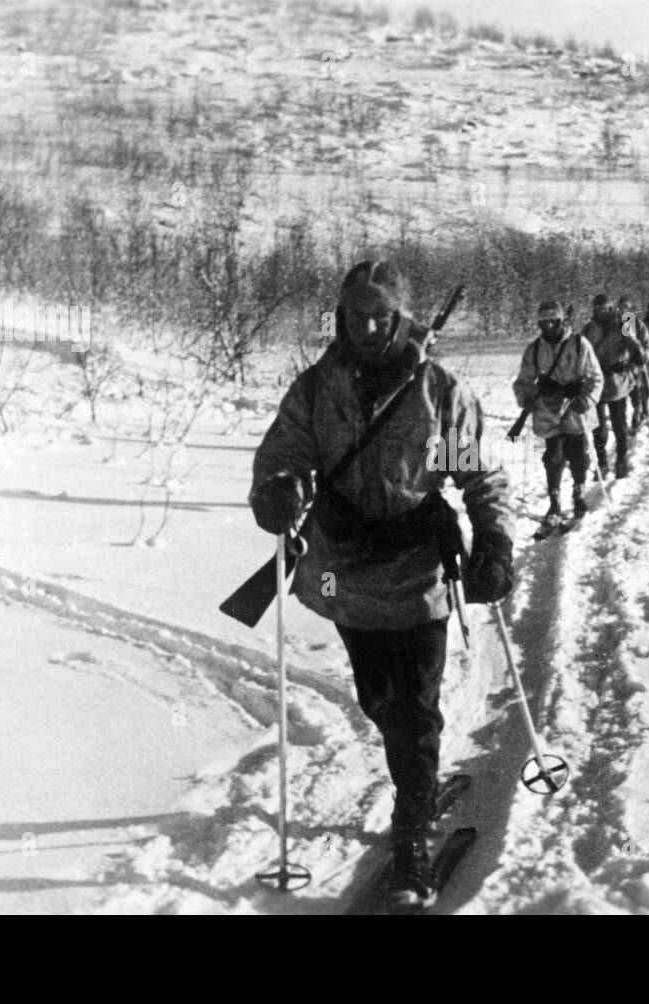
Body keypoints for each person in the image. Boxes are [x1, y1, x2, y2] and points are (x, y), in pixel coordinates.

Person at [247, 261, 515, 910]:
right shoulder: (317, 389)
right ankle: (416, 773)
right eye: (355, 315)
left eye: (380, 316)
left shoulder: (437, 392)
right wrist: (277, 492)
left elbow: (479, 475)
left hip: (420, 569)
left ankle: (411, 831)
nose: (366, 327)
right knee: (380, 699)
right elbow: (283, 457)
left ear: (400, 318)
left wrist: (494, 538)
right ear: (340, 317)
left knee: (416, 705)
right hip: (344, 572)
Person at [512, 301, 603, 528]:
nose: (547, 327)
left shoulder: (580, 344)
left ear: (561, 321)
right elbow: (523, 380)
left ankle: (578, 495)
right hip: (548, 408)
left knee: (578, 455)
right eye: (543, 323)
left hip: (575, 407)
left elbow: (596, 377)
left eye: (552, 322)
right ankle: (554, 501)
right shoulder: (534, 349)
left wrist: (587, 399)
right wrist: (526, 398)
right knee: (553, 457)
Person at [581, 293, 645, 478]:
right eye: (598, 309)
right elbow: (581, 350)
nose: (602, 312)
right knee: (598, 428)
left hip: (617, 381)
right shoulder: (589, 328)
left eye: (605, 308)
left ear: (611, 308)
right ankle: (602, 462)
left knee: (619, 425)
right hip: (596, 382)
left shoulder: (623, 324)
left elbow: (632, 342)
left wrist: (637, 354)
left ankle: (621, 460)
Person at [618, 296, 649, 435]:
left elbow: (648, 343)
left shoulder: (637, 324)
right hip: (620, 367)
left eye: (627, 307)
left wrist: (643, 356)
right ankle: (622, 424)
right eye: (622, 307)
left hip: (635, 365)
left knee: (638, 393)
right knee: (621, 397)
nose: (624, 310)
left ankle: (637, 416)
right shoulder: (614, 324)